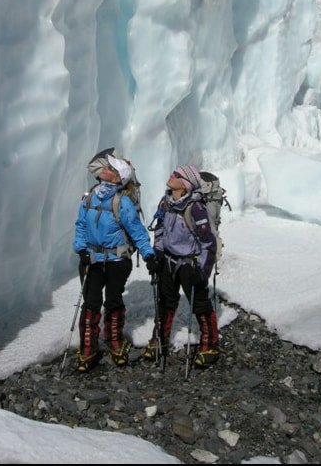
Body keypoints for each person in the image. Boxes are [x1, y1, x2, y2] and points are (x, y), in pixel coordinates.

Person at [73, 149, 159, 372]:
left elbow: (138, 231)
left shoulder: (123, 202)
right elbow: (80, 225)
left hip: (116, 261)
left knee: (112, 300)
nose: (105, 169)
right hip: (91, 258)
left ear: (118, 177)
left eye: (111, 168)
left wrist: (149, 255)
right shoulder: (90, 196)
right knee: (91, 303)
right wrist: (80, 249)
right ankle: (88, 347)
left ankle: (114, 341)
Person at [143, 165, 219, 367]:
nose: (171, 175)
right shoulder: (166, 203)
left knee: (200, 304)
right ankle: (159, 340)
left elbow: (208, 243)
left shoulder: (195, 208)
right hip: (168, 260)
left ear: (185, 184)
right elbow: (159, 229)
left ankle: (210, 345)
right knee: (165, 300)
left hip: (189, 264)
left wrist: (202, 271)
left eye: (177, 175)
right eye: (173, 172)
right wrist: (158, 252)